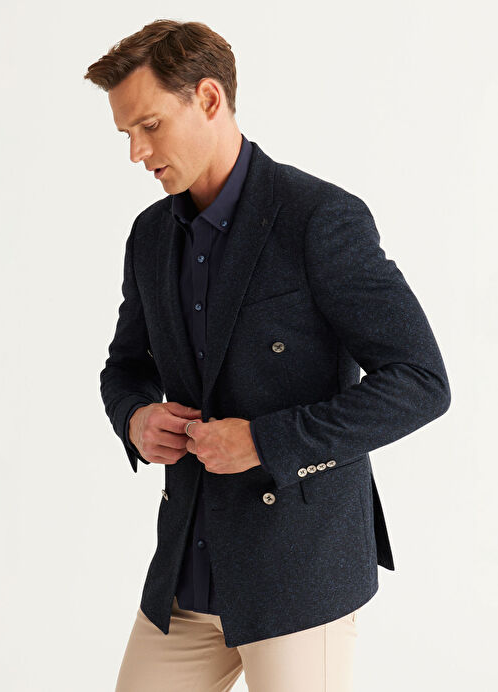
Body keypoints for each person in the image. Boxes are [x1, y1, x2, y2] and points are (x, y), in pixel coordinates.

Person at [85, 18, 451, 692]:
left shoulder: (318, 217)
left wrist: (265, 441)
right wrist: (135, 417)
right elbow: (125, 366)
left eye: (150, 126)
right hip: (186, 570)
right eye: (125, 133)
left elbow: (420, 381)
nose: (136, 152)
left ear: (208, 98)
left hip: (297, 576)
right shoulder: (149, 236)